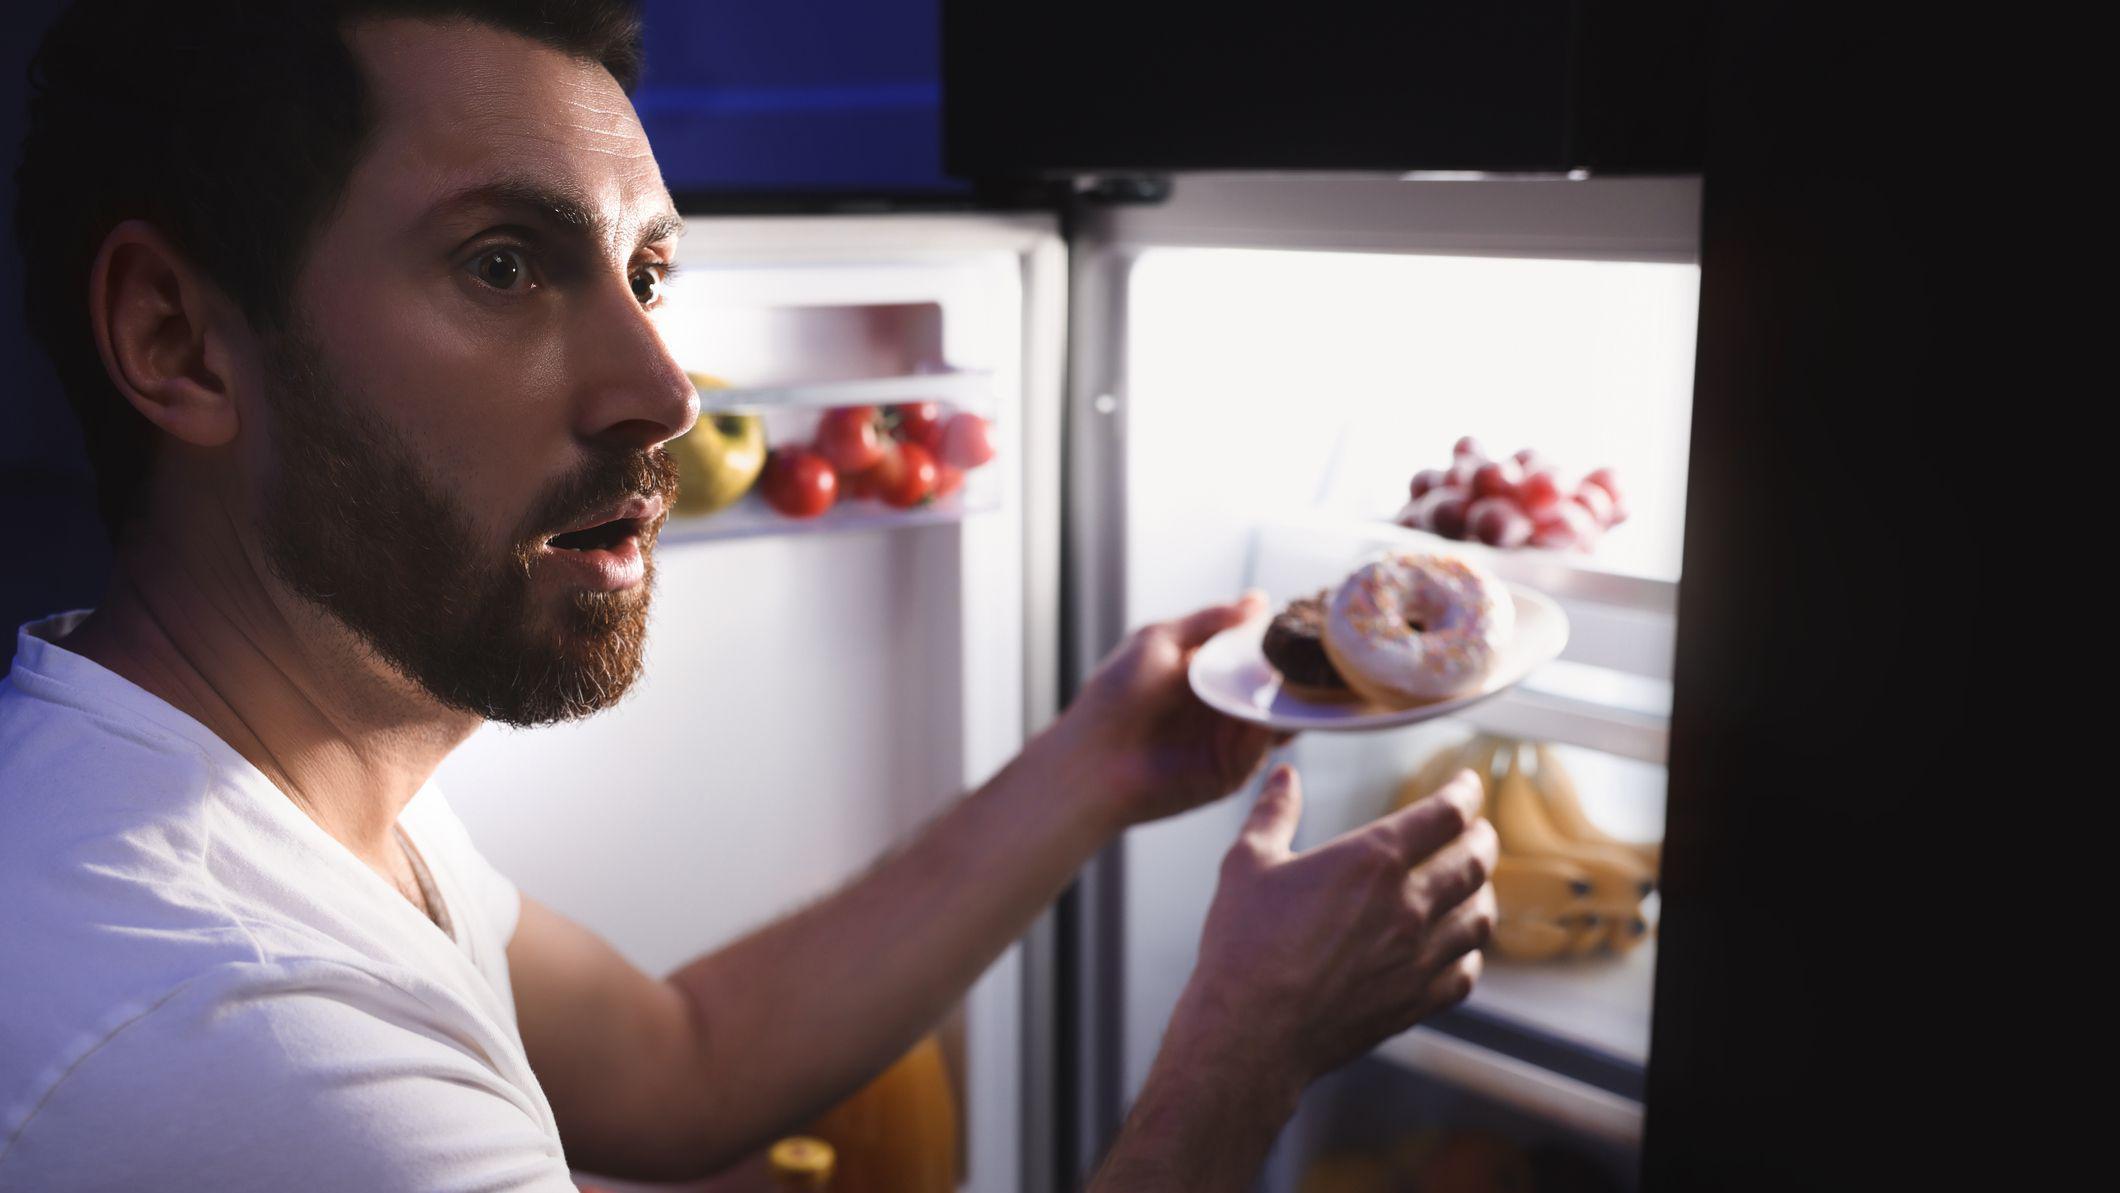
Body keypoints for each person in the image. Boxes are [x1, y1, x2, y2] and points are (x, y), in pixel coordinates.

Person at [0, 2, 1497, 1189]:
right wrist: (1247, 1049)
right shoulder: (229, 1048)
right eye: (505, 264)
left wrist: (1095, 765)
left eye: (648, 273)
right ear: (176, 341)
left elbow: (682, 1063)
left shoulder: (243, 791)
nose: (661, 390)